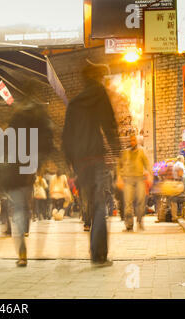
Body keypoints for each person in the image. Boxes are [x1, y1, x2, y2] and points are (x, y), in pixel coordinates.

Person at [62, 63, 121, 267]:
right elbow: (109, 123)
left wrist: (70, 162)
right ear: (96, 76)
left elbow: (66, 135)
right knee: (99, 206)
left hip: (79, 162)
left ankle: (96, 250)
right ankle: (99, 254)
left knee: (90, 204)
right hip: (95, 157)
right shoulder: (99, 93)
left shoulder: (75, 102)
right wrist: (118, 151)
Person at [0, 101, 55, 267]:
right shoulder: (35, 133)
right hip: (26, 177)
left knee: (18, 210)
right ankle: (25, 236)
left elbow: (1, 156)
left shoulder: (12, 131)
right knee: (24, 208)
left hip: (13, 176)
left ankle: (22, 253)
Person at [116, 134, 152, 231]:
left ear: (137, 141)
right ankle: (129, 225)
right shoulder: (125, 153)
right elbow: (119, 166)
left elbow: (147, 164)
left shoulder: (141, 151)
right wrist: (119, 178)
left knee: (141, 201)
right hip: (128, 180)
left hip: (140, 179)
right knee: (128, 203)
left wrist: (149, 175)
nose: (132, 142)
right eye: (130, 140)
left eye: (134, 140)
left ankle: (140, 221)